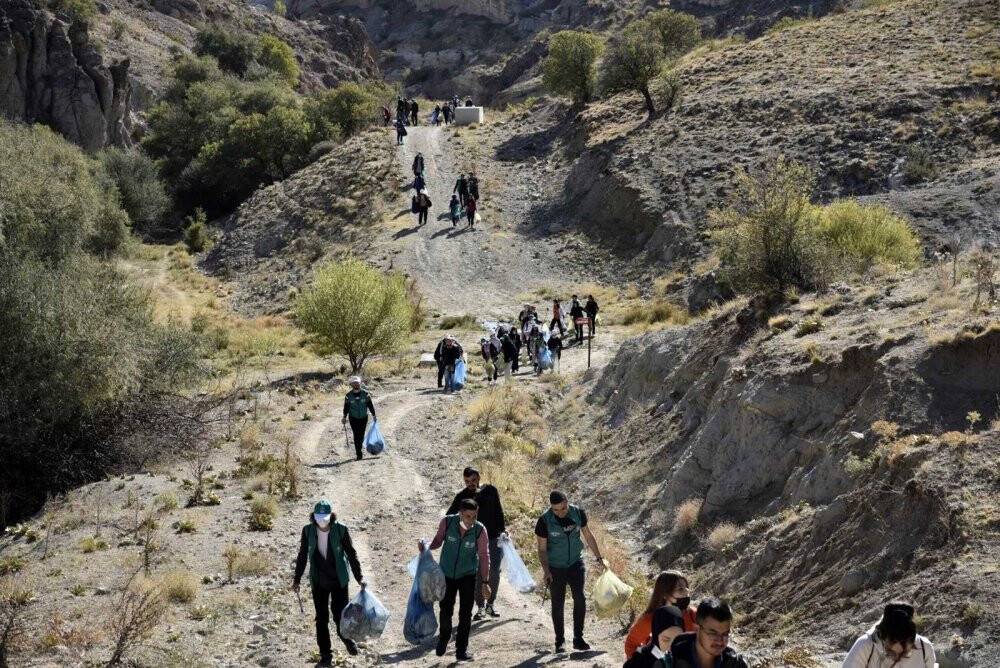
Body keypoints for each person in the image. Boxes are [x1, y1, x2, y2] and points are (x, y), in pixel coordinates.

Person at [293, 500, 365, 665]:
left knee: (340, 615)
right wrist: (297, 579)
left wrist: (359, 577)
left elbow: (351, 554)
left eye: (325, 517)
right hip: (319, 580)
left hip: (339, 578)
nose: (322, 521)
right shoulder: (307, 531)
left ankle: (347, 640)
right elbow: (302, 555)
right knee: (321, 618)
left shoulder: (341, 530)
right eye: (318, 517)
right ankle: (325, 654)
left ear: (331, 516)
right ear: (314, 517)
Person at [535, 491, 605, 654]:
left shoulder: (578, 513)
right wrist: (546, 571)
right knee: (557, 603)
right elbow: (542, 549)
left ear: (567, 501)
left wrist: (599, 557)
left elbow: (588, 535)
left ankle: (578, 639)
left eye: (563, 508)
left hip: (575, 563)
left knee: (580, 598)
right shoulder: (544, 521)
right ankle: (560, 641)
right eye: (556, 510)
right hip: (555, 567)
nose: (560, 512)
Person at [421, 498, 490, 662]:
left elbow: (484, 556)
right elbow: (438, 541)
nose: (471, 520)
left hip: (467, 575)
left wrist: (485, 582)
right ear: (460, 514)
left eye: (474, 516)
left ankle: (461, 650)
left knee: (465, 613)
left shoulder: (480, 530)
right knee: (445, 609)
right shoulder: (447, 522)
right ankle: (444, 638)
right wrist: (426, 546)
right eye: (467, 516)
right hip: (446, 574)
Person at [447, 467, 507, 620]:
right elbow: (450, 516)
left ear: (479, 477)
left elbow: (499, 512)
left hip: (493, 537)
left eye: (473, 480)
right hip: (472, 540)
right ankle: (480, 607)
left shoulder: (490, 490)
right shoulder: (462, 497)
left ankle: (490, 604)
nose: (470, 484)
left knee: (494, 570)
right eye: (467, 481)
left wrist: (503, 530)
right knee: (477, 573)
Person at [625, 571, 698, 660]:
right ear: (665, 594)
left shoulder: (693, 615)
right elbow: (631, 645)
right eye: (680, 589)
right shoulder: (650, 620)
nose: (686, 592)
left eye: (686, 588)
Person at [842, 602, 935, 668]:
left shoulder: (924, 647)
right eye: (891, 653)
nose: (897, 658)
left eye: (904, 654)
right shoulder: (865, 645)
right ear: (882, 637)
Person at [664, 598, 748, 668]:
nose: (720, 641)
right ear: (697, 628)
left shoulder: (735, 664)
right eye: (713, 633)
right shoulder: (671, 661)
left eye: (725, 634)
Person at [342, 376, 375, 461]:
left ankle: (359, 448)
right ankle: (359, 454)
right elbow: (346, 407)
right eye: (354, 383)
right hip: (353, 418)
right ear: (351, 384)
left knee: (361, 434)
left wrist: (374, 415)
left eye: (357, 383)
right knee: (356, 435)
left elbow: (370, 405)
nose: (356, 384)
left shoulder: (366, 394)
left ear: (360, 383)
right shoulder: (348, 396)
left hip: (364, 417)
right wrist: (344, 417)